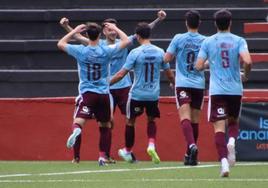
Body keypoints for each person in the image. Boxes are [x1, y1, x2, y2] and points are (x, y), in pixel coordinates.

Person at [59, 10, 167, 163]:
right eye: (110, 29)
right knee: (109, 121)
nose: (113, 32)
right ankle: (106, 155)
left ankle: (125, 151)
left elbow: (142, 32)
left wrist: (158, 20)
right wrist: (67, 27)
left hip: (122, 86)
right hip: (106, 89)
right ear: (103, 31)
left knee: (129, 119)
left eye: (115, 29)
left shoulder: (111, 45)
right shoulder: (104, 47)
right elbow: (80, 38)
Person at [57, 22, 130, 166]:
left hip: (87, 93)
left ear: (87, 35)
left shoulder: (81, 51)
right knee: (105, 125)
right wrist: (115, 28)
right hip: (103, 93)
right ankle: (102, 156)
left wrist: (74, 31)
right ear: (100, 35)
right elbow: (126, 41)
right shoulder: (106, 50)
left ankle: (77, 143)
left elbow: (60, 43)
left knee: (78, 122)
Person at [196, 9, 252, 177]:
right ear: (230, 23)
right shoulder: (239, 40)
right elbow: (248, 61)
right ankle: (232, 141)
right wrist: (246, 75)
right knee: (233, 122)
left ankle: (224, 163)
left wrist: (209, 64)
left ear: (215, 24)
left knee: (218, 129)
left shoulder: (208, 41)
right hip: (235, 89)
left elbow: (199, 66)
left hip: (217, 90)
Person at [110, 22, 175, 164]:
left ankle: (127, 150)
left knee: (130, 121)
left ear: (138, 36)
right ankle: (151, 145)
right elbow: (169, 74)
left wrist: (106, 84)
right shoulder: (160, 51)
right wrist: (174, 84)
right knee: (151, 120)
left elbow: (121, 74)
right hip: (153, 95)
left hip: (137, 94)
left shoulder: (135, 53)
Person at [164, 10, 206, 166]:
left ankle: (191, 146)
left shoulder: (178, 38)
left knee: (185, 118)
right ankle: (191, 155)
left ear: (186, 23)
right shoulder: (205, 40)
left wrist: (172, 78)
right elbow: (207, 62)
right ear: (199, 23)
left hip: (182, 83)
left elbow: (166, 58)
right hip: (198, 84)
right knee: (195, 120)